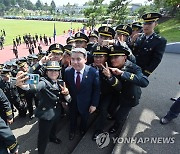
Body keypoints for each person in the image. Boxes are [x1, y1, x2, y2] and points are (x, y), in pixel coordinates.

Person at [16, 61, 71, 154]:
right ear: (46, 72)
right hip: (46, 115)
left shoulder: (60, 82)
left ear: (59, 72)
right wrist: (22, 85)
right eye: (50, 70)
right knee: (43, 136)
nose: (53, 72)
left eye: (56, 70)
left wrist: (67, 94)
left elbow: (68, 100)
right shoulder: (43, 82)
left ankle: (53, 137)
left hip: (57, 112)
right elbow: (33, 87)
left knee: (54, 128)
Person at [101, 45, 149, 134]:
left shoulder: (134, 67)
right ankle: (114, 117)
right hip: (117, 93)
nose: (112, 60)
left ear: (125, 57)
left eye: (116, 57)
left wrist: (123, 73)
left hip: (129, 96)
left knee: (121, 116)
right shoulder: (109, 66)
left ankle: (116, 126)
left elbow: (144, 82)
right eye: (111, 57)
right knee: (111, 109)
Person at [64, 48, 100, 140]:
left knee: (84, 118)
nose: (75, 62)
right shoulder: (67, 71)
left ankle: (82, 130)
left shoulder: (93, 72)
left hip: (86, 103)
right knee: (72, 118)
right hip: (72, 102)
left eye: (78, 59)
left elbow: (96, 89)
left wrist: (94, 104)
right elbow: (66, 86)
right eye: (73, 59)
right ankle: (72, 131)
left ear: (85, 59)